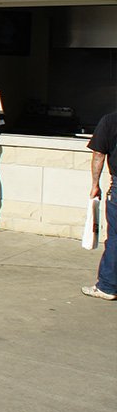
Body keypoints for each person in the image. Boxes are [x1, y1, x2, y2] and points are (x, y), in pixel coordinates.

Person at [82, 110, 117, 300]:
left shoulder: (110, 120)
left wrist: (95, 184)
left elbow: (98, 154)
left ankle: (107, 286)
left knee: (116, 236)